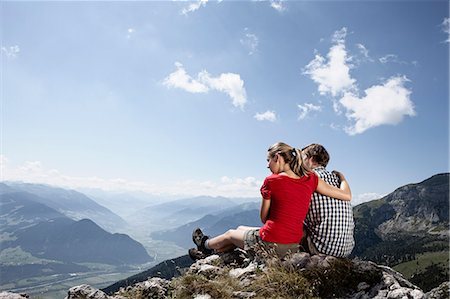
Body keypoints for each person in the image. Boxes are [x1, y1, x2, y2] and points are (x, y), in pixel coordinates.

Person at [189, 142, 351, 260]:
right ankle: (212, 253)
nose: (298, 162)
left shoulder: (304, 178)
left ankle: (205, 245)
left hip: (314, 246)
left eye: (301, 158)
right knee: (240, 230)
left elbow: (265, 218)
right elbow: (347, 195)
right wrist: (342, 177)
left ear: (308, 159)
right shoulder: (325, 180)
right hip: (341, 247)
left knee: (234, 233)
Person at [301, 143, 355, 257]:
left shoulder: (307, 179)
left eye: (302, 158)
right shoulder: (337, 179)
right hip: (346, 250)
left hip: (322, 249)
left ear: (310, 159)